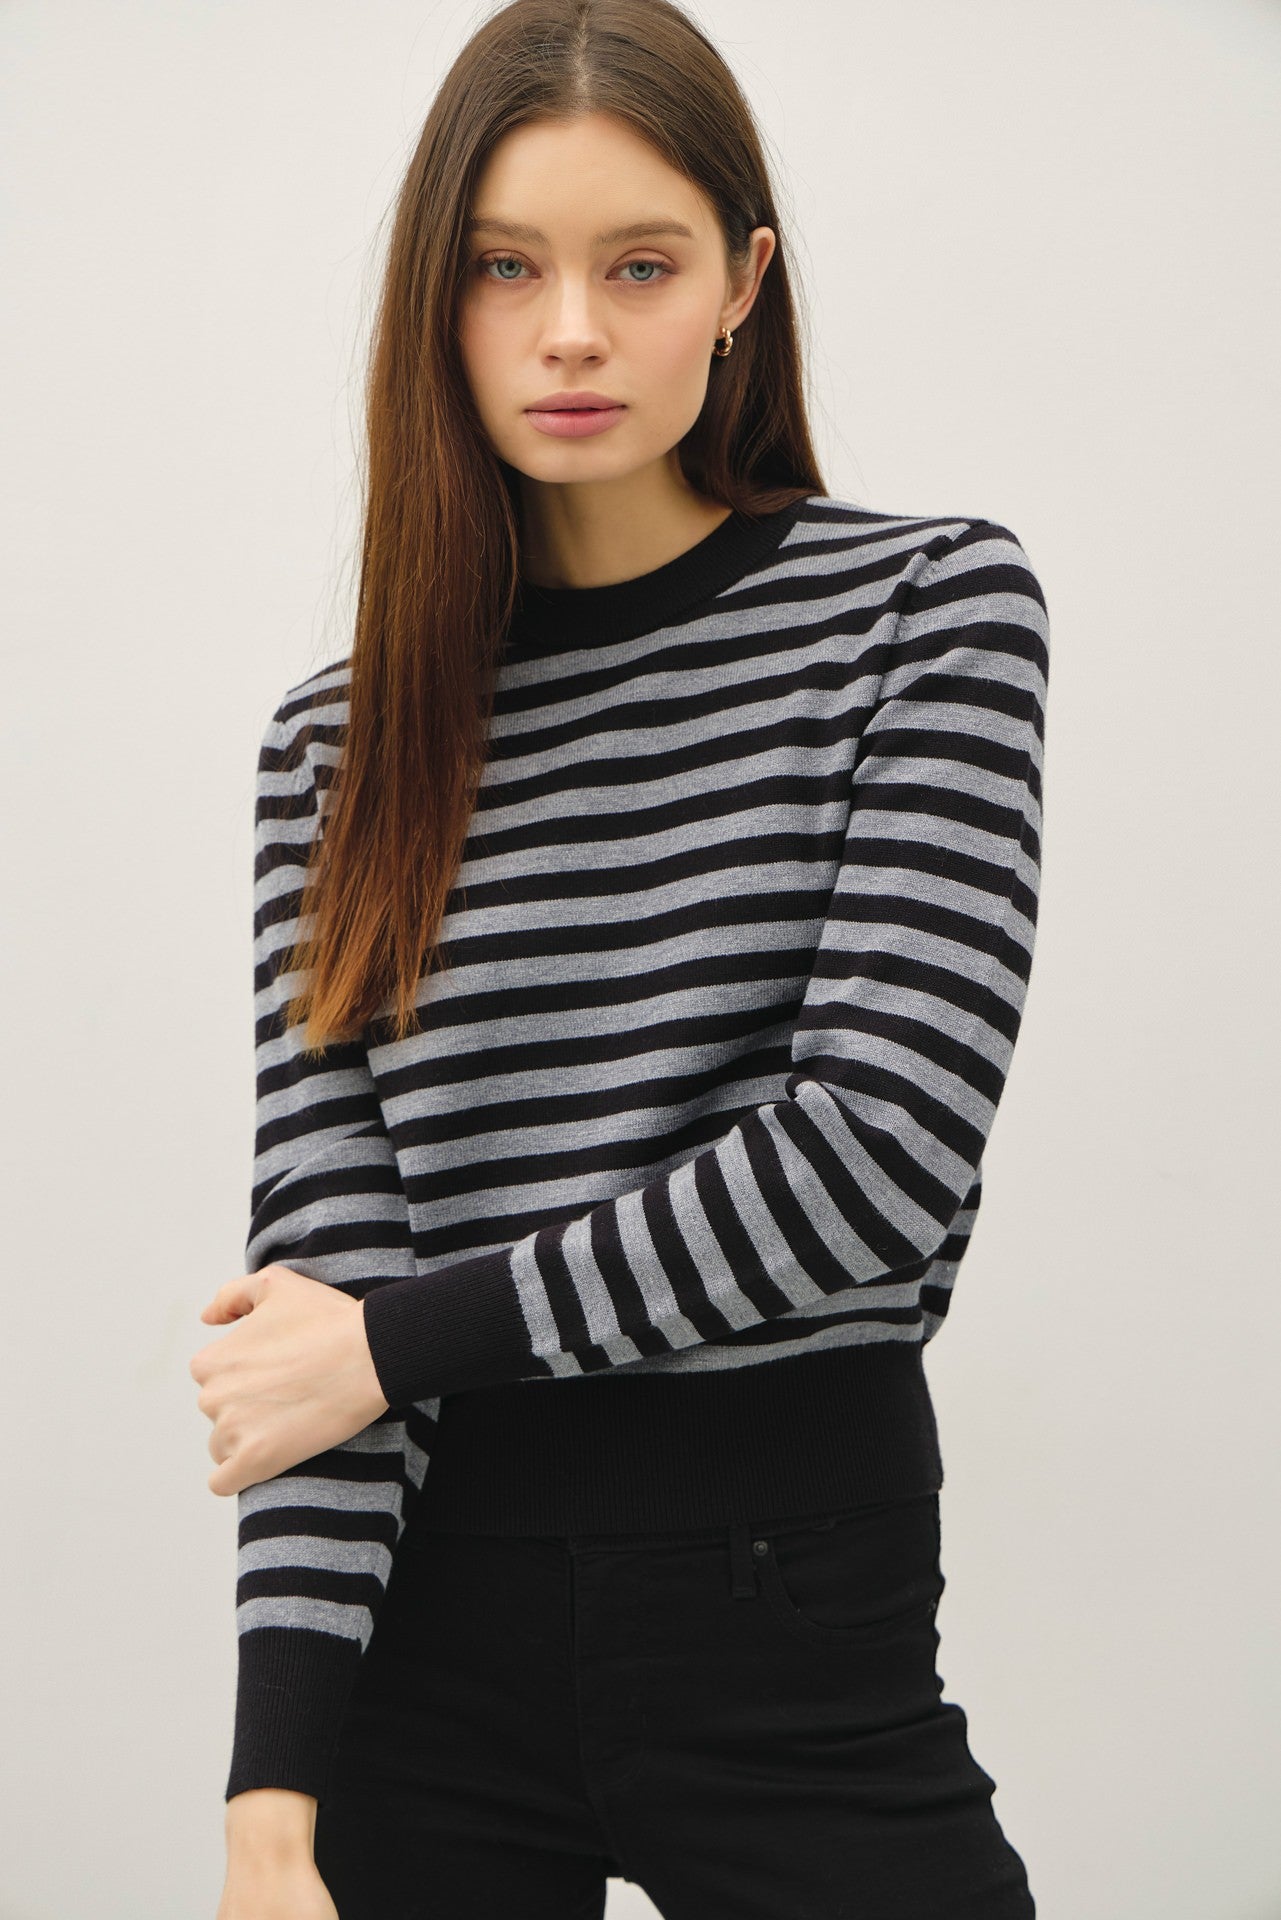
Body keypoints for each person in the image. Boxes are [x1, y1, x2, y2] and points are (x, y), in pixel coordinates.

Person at [191, 1, 1049, 1913]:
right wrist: (271, 1799)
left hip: (789, 1612)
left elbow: (876, 1162)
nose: (568, 330)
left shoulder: (921, 614)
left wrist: (387, 1349)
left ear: (741, 284)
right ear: (435, 304)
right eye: (504, 268)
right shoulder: (338, 747)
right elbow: (318, 1292)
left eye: (637, 265)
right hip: (420, 1658)